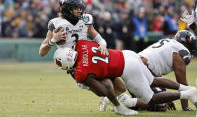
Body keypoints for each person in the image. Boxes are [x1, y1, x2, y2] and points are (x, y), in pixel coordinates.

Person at [53, 39, 197, 115]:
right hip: (128, 54)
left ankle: (187, 93)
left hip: (127, 69)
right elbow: (99, 43)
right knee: (153, 80)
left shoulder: (80, 73)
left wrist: (87, 83)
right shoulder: (80, 44)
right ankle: (189, 89)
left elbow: (104, 91)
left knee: (150, 98)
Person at [138, 30, 197, 111]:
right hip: (144, 69)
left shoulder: (168, 42)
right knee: (161, 105)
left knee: (159, 98)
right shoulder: (181, 50)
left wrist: (166, 97)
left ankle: (129, 101)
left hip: (137, 66)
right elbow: (182, 83)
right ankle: (128, 102)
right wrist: (185, 107)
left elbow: (156, 72)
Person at [39, 0, 108, 57]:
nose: (79, 10)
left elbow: (99, 39)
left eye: (80, 8)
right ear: (66, 9)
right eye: (75, 8)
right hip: (67, 59)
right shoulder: (56, 23)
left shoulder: (85, 19)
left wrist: (103, 45)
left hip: (85, 57)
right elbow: (41, 53)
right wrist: (53, 40)